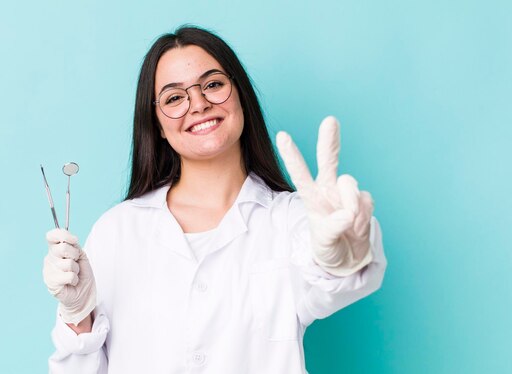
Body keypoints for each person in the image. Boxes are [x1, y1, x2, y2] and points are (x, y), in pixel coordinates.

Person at [42, 25, 387, 374]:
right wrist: (77, 316)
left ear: (240, 94)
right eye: (175, 97)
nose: (199, 104)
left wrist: (347, 251)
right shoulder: (118, 230)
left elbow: (338, 282)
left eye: (213, 84)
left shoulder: (291, 219)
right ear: (157, 123)